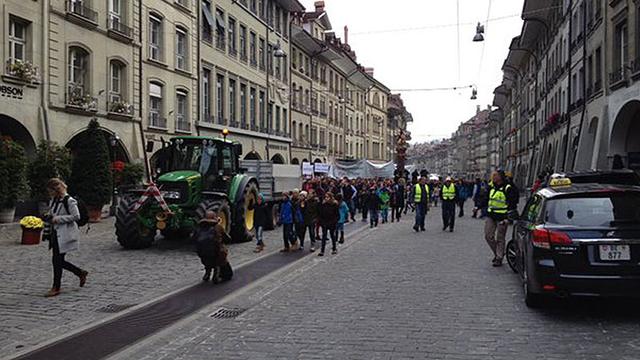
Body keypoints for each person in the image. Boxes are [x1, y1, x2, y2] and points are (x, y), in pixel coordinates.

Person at [42, 178, 88, 298]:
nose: (49, 193)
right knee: (58, 260)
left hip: (65, 233)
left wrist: (58, 219)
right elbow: (54, 213)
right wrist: (48, 216)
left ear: (55, 189)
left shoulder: (70, 200)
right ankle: (80, 272)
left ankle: (56, 287)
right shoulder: (54, 200)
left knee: (57, 260)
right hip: (55, 232)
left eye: (50, 191)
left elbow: (76, 216)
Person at [483, 171, 518, 267]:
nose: (493, 177)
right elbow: (486, 199)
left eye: (495, 175)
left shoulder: (508, 188)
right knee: (488, 236)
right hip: (491, 215)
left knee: (500, 237)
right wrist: (478, 207)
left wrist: (508, 218)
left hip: (503, 217)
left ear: (501, 177)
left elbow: (513, 204)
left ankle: (498, 257)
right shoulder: (491, 187)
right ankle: (499, 252)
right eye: (493, 175)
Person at [194, 210, 232, 282]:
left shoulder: (199, 227)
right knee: (220, 255)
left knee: (208, 261)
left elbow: (194, 238)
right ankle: (216, 275)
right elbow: (228, 238)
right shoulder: (218, 227)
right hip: (216, 253)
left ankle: (207, 274)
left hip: (203, 253)